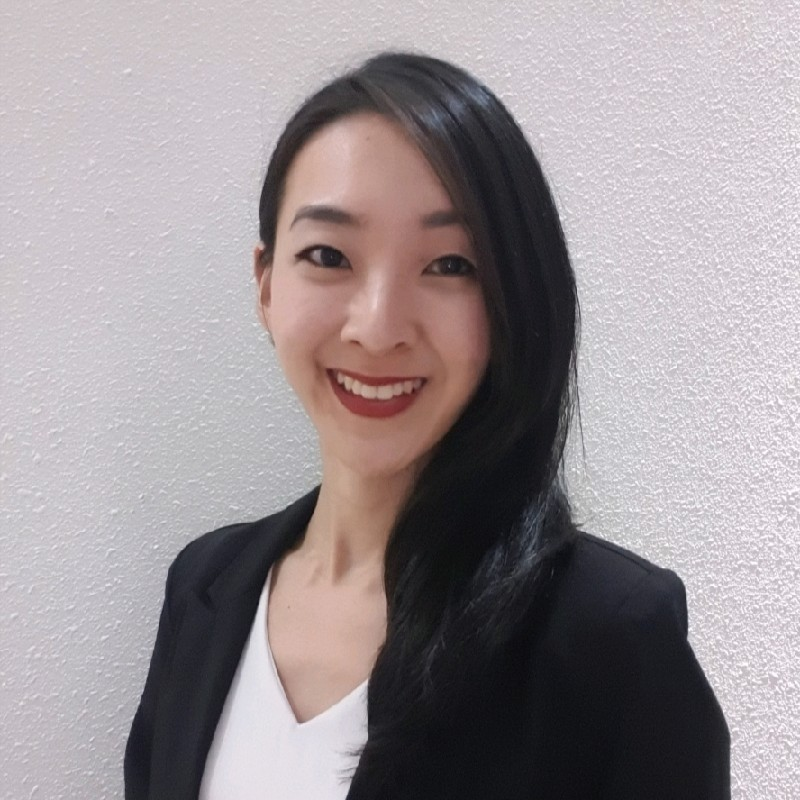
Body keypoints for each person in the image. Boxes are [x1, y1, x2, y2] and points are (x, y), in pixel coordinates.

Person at [124, 51, 730, 799]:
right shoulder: (203, 586)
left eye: (450, 265)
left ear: (512, 299)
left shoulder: (609, 638)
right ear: (267, 285)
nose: (378, 329)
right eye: (328, 255)